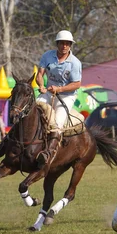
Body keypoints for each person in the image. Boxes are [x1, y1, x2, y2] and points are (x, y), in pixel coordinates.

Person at [34, 30, 82, 168]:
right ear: (57, 44)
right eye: (62, 43)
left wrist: (59, 89)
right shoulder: (47, 56)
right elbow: (40, 74)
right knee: (33, 109)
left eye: (67, 44)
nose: (64, 46)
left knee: (58, 123)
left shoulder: (75, 63)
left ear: (70, 45)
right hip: (48, 92)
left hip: (67, 95)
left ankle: (48, 153)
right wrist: (41, 85)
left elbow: (77, 84)